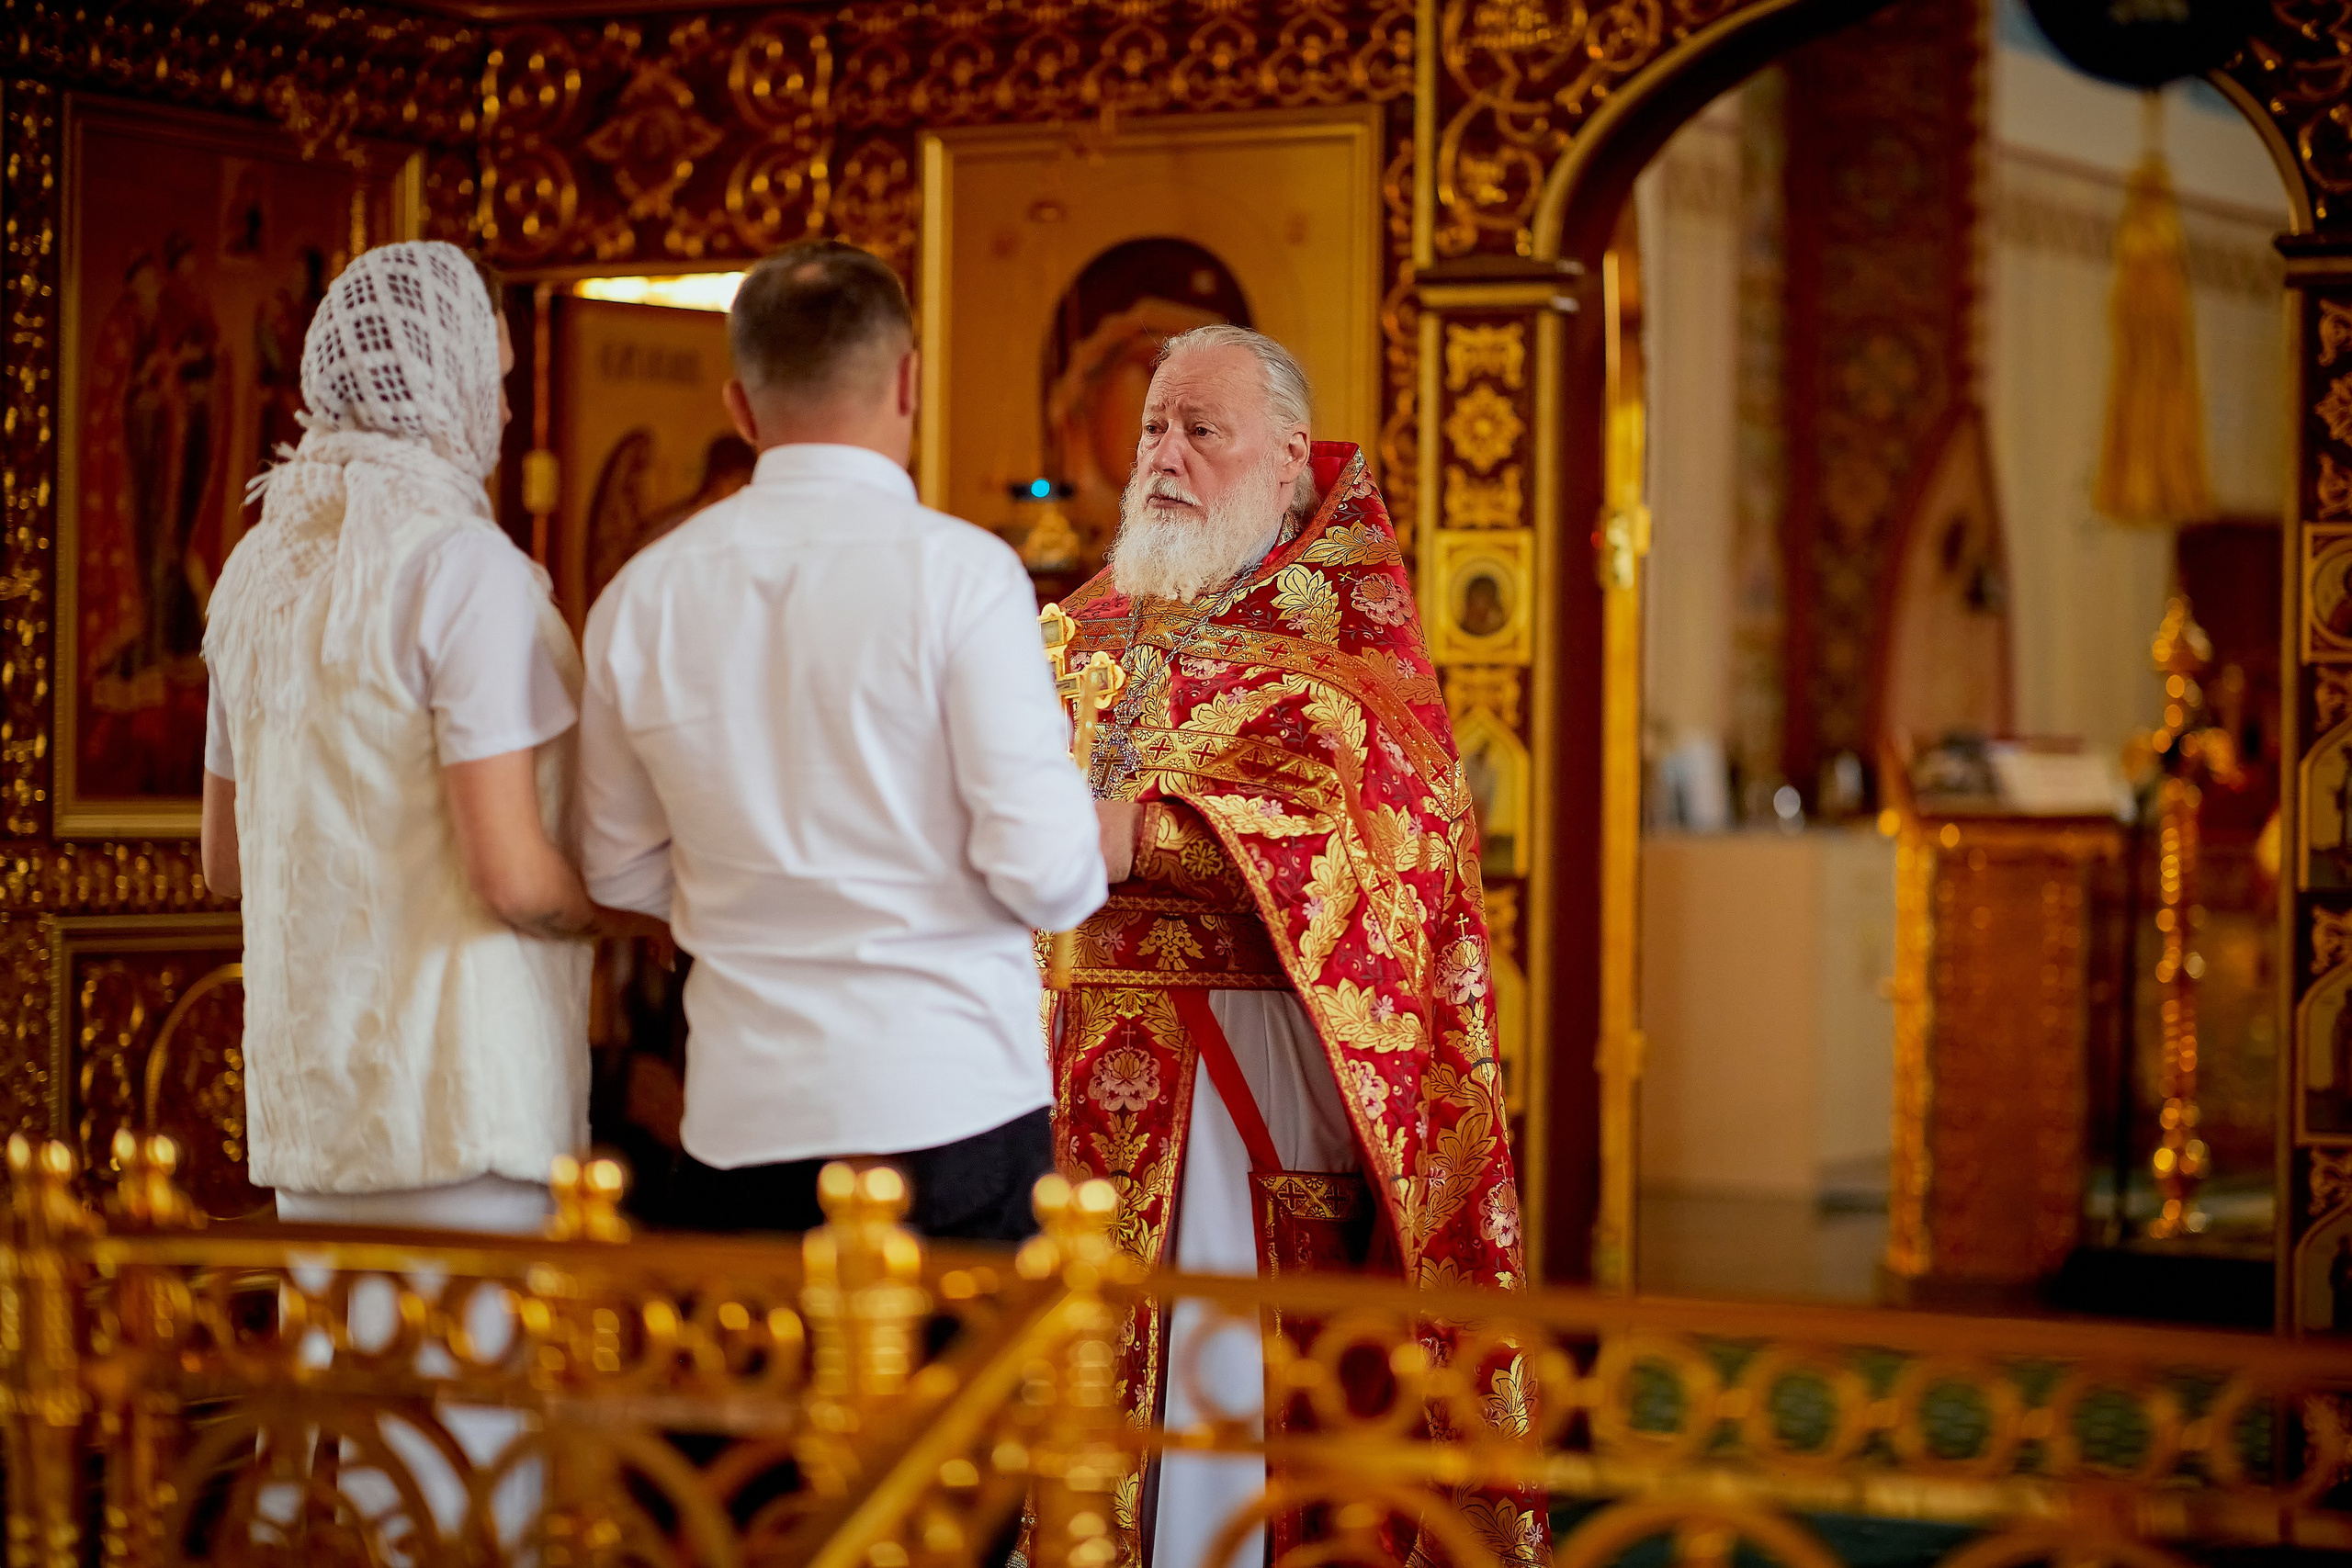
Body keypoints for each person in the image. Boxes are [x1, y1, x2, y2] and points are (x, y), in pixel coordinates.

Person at [1050, 324, 1544, 1567]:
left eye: (1199, 431)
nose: (1164, 453)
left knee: (1217, 1391)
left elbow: (1383, 838)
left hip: (1243, 1077)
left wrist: (1145, 833)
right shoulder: (1088, 622)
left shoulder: (1345, 637)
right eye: (1156, 426)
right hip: (1063, 1063)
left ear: (1284, 460)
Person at [578, 239, 1113, 1242]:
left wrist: (753, 904)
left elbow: (612, 868)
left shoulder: (639, 597)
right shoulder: (965, 578)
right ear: (908, 379)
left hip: (742, 1119)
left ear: (740, 406)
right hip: (952, 1106)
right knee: (967, 1404)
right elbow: (1049, 879)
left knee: (765, 1403)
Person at [202, 240, 594, 1235]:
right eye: (494, 379)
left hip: (313, 1111)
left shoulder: (256, 570)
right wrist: (637, 908)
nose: (504, 411)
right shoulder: (461, 567)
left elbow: (224, 861)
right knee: (470, 1394)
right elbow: (509, 876)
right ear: (443, 376)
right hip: (462, 1099)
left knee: (341, 1393)